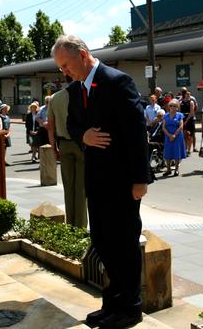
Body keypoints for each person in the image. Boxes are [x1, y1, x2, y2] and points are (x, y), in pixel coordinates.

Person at [53, 34, 150, 329]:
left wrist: (140, 179)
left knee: (124, 244)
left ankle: (130, 308)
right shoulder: (76, 88)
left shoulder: (116, 81)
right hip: (95, 180)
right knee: (103, 242)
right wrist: (83, 136)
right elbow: (71, 124)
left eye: (66, 65)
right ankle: (112, 304)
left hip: (122, 180)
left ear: (82, 55)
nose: (64, 72)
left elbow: (137, 131)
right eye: (60, 68)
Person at [46, 84, 88, 228]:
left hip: (63, 144)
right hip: (82, 143)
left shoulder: (55, 98)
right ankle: (80, 226)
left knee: (68, 187)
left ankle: (70, 224)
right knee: (81, 188)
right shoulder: (83, 94)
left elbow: (50, 127)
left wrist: (53, 148)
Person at [161, 99, 187, 176]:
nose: (172, 107)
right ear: (169, 107)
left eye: (174, 106)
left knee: (176, 152)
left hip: (177, 136)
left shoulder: (180, 115)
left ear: (177, 107)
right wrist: (169, 135)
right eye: (171, 106)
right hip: (168, 136)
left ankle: (176, 169)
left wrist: (174, 135)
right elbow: (163, 127)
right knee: (168, 152)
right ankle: (168, 169)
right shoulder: (165, 115)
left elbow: (181, 126)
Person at [180, 87, 198, 153]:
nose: (188, 95)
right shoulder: (180, 101)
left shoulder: (192, 101)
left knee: (191, 134)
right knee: (184, 134)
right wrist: (182, 120)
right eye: (187, 94)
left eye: (189, 94)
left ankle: (191, 149)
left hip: (190, 119)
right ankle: (185, 148)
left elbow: (192, 112)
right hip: (183, 118)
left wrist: (186, 120)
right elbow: (179, 111)